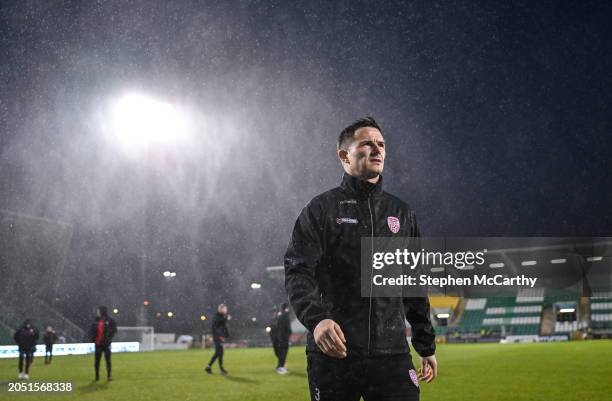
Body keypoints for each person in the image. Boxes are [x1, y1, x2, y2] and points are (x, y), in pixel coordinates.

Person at [285, 117, 437, 401]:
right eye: (367, 143)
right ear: (344, 155)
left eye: (381, 144)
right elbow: (298, 271)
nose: (377, 150)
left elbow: (413, 283)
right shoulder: (321, 209)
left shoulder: (402, 212)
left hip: (391, 356)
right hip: (335, 355)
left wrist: (425, 345)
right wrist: (317, 320)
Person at [89, 306, 117, 382]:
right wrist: (93, 339)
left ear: (102, 311)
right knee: (97, 361)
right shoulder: (96, 320)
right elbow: (92, 330)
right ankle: (97, 376)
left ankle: (109, 376)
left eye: (98, 311)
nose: (97, 312)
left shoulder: (110, 320)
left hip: (106, 344)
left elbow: (114, 330)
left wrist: (109, 338)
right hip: (98, 344)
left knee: (108, 360)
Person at [204, 304, 229, 375]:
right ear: (220, 309)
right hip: (218, 337)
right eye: (224, 309)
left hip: (219, 337)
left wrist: (225, 335)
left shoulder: (220, 317)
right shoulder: (217, 317)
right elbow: (217, 327)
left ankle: (211, 367)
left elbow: (223, 326)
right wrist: (220, 336)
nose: (226, 310)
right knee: (219, 353)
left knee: (219, 353)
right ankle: (215, 368)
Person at [270, 302, 292, 374]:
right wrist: (288, 333)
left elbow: (275, 326)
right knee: (283, 352)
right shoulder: (285, 315)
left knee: (280, 352)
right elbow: (287, 326)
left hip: (278, 337)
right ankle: (281, 367)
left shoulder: (278, 316)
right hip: (283, 337)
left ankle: (280, 366)